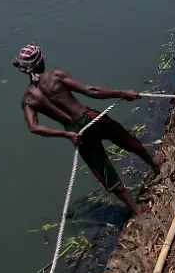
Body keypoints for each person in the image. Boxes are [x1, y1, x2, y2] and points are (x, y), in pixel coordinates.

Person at [12, 43, 161, 215]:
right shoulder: (56, 76)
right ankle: (154, 165)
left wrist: (66, 134)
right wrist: (123, 93)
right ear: (41, 62)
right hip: (90, 118)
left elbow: (34, 127)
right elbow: (91, 91)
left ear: (25, 70)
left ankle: (135, 209)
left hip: (76, 133)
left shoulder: (29, 98)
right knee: (127, 140)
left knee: (103, 170)